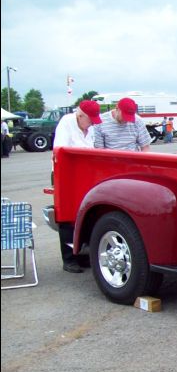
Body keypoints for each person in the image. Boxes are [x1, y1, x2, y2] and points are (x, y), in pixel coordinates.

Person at [53, 100, 103, 272]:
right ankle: (68, 259)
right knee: (67, 215)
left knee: (84, 211)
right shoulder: (66, 122)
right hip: (66, 173)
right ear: (80, 115)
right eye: (89, 120)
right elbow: (60, 150)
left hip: (85, 173)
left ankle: (81, 255)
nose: (91, 124)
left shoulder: (90, 128)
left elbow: (93, 148)